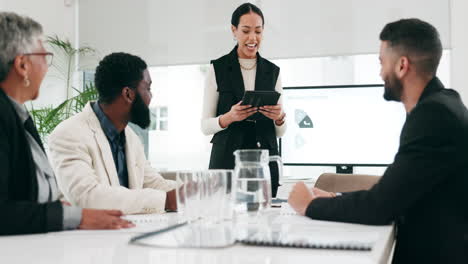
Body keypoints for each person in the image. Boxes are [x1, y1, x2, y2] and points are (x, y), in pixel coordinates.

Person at [288, 18, 468, 264]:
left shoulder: (433, 116)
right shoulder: (444, 103)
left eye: (382, 62)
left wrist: (309, 205)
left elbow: (381, 206)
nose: (380, 72)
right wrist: (336, 199)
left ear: (402, 65)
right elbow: (397, 190)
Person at [0, 12, 134, 235]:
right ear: (22, 65)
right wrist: (74, 217)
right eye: (44, 56)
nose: (47, 66)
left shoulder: (17, 114)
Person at [48, 53, 178, 215]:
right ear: (128, 94)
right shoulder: (68, 134)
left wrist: (193, 191)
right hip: (88, 239)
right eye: (148, 88)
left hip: (128, 232)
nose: (151, 96)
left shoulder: (131, 138)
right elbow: (87, 197)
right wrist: (166, 200)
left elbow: (153, 183)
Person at [201, 3, 286, 196]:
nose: (252, 38)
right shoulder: (218, 69)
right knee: (223, 223)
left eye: (258, 31)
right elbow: (205, 126)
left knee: (266, 223)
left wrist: (279, 118)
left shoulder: (273, 72)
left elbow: (280, 132)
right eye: (246, 31)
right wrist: (229, 117)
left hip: (263, 165)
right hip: (225, 164)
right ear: (234, 30)